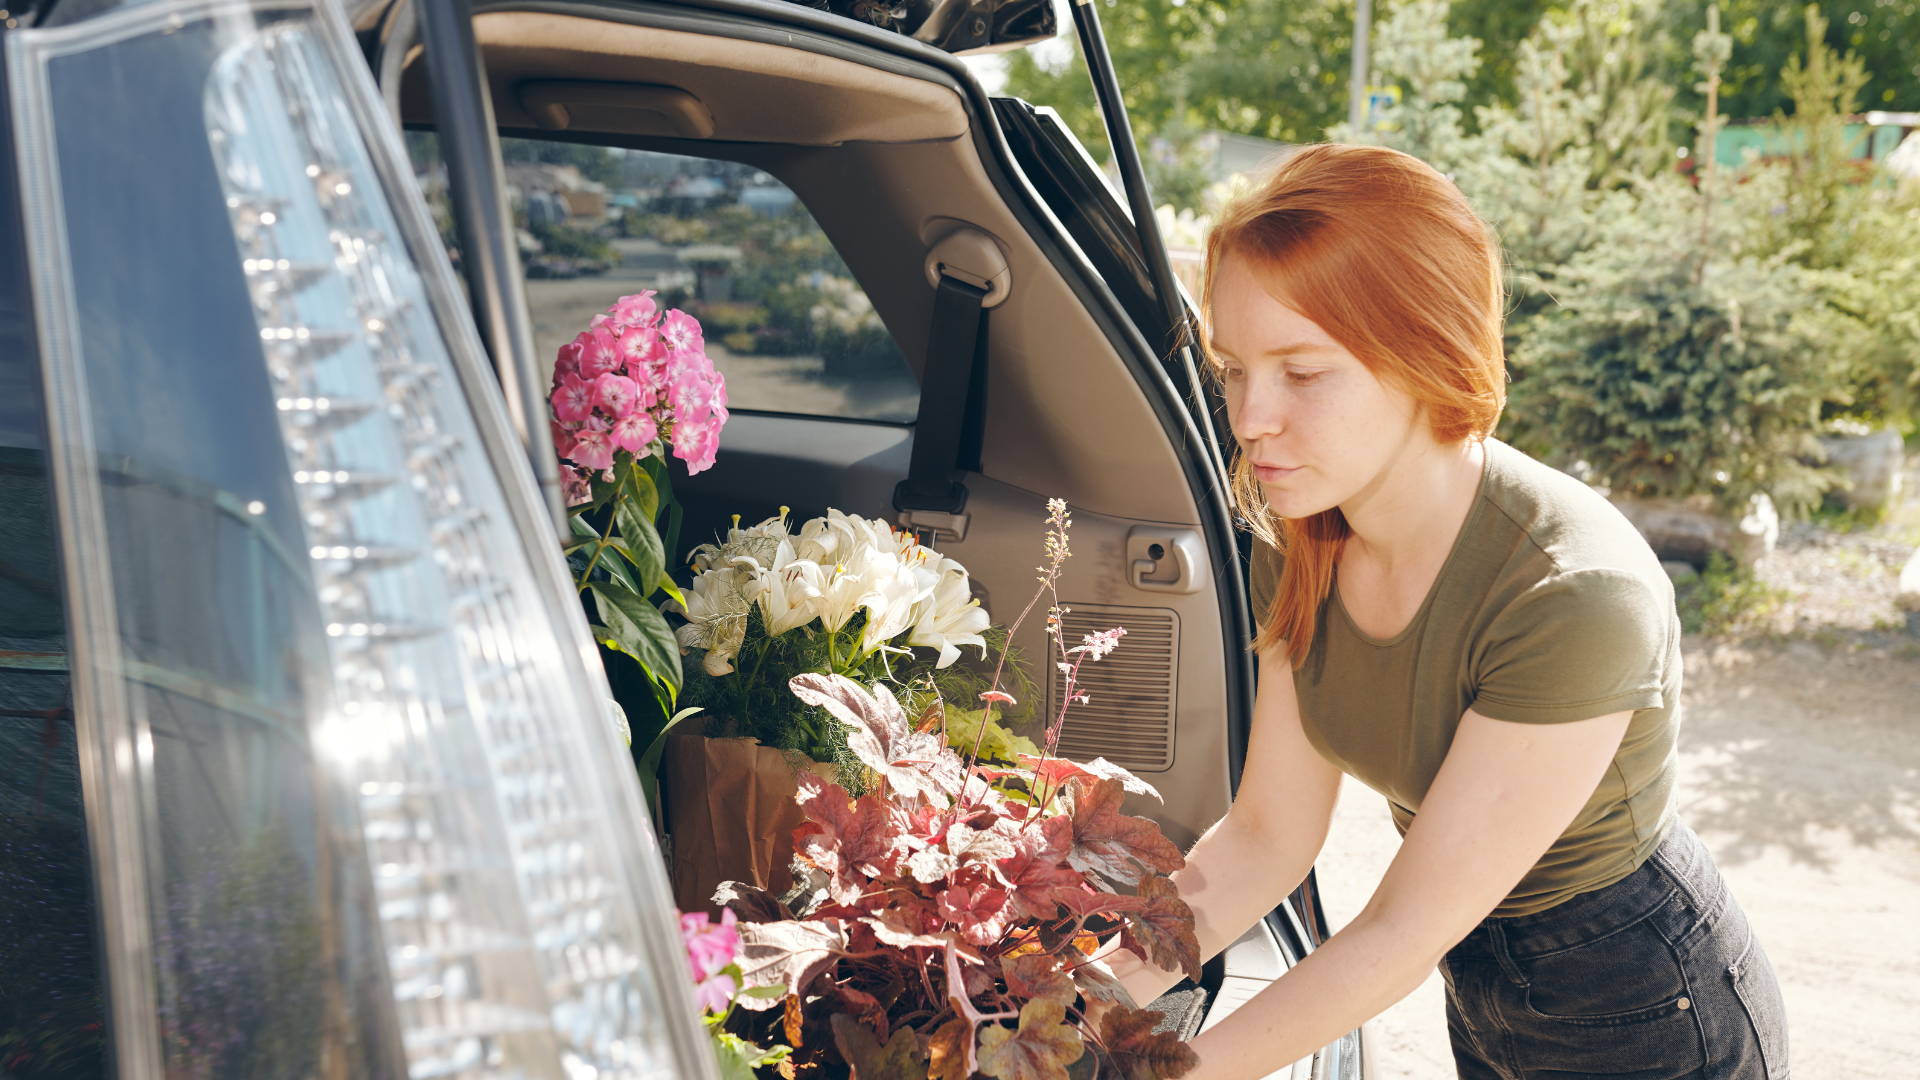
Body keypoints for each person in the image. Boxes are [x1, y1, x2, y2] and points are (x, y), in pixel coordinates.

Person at [1102, 144, 1790, 1080]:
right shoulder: (1299, 532)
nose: (1251, 416)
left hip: (1643, 1002)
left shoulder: (1575, 595)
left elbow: (1398, 931)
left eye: (1303, 374)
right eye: (1234, 369)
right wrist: (1064, 1002)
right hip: (1482, 979)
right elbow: (1266, 836)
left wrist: (1151, 1074)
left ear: (1426, 353)